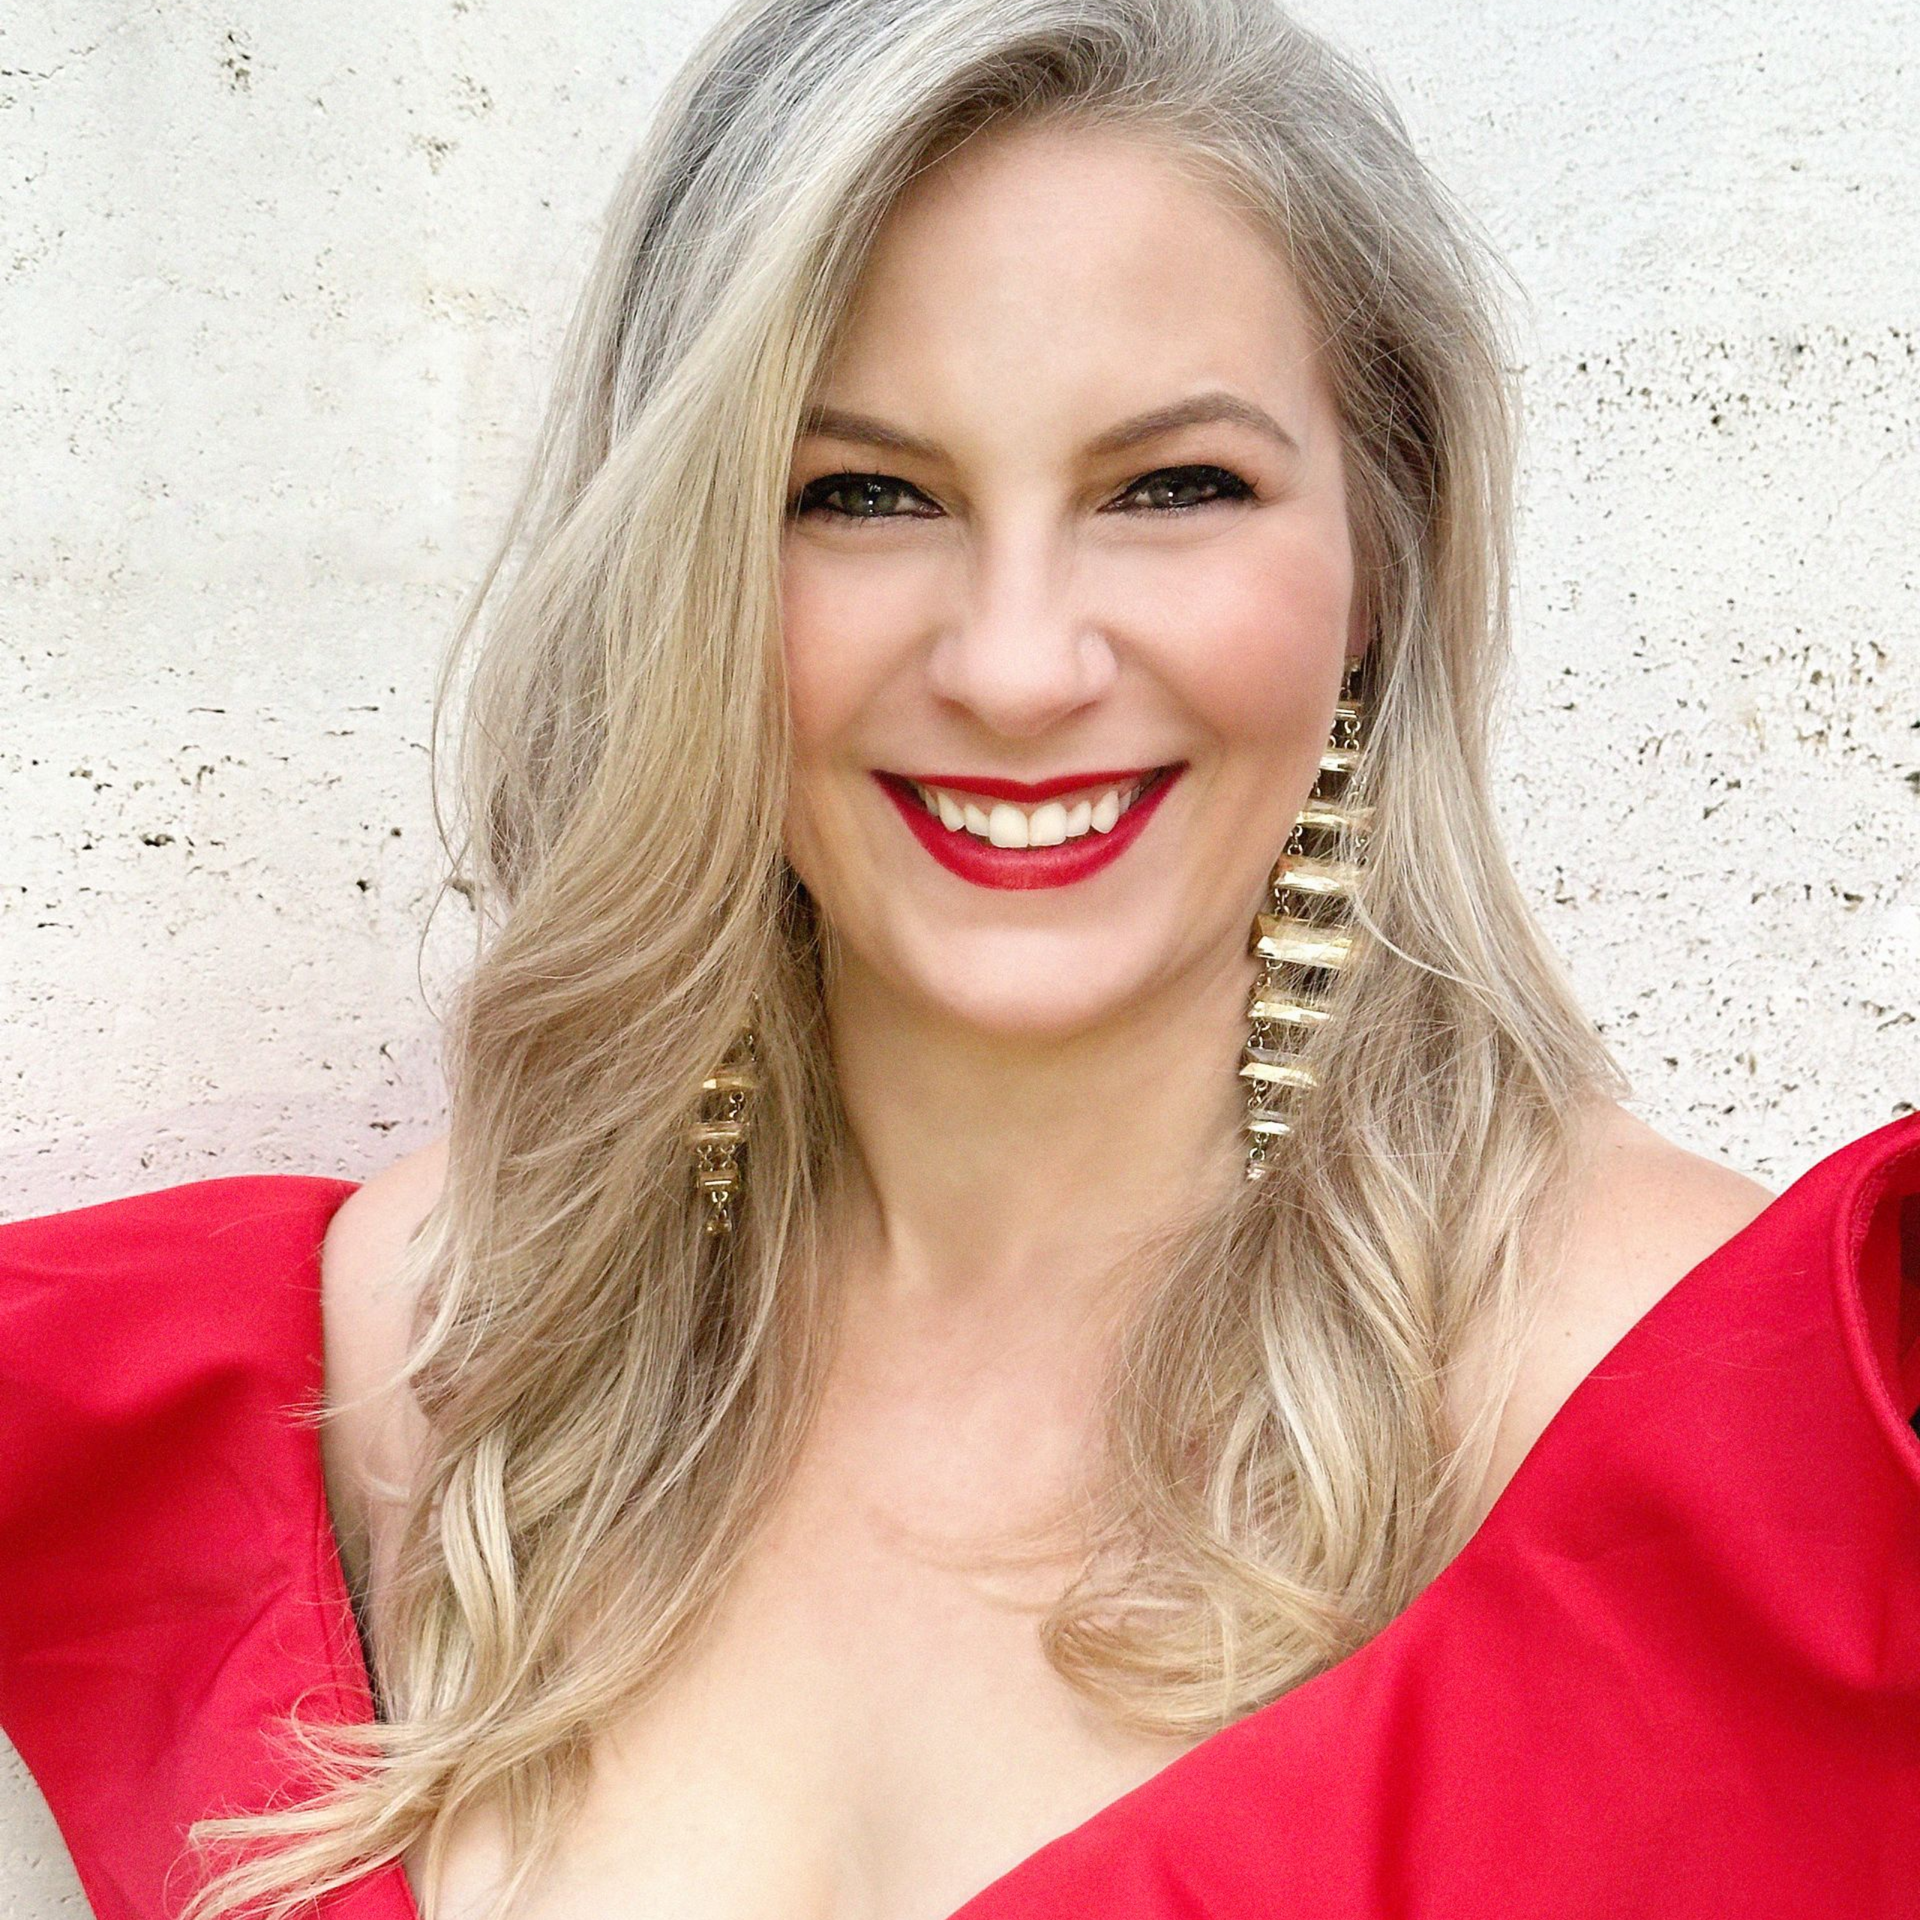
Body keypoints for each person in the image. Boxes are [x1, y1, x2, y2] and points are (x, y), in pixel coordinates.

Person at [3, 0, 1918, 1915]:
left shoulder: (1699, 1423)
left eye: (1173, 489)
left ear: (1383, 558)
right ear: (687, 568)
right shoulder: (401, 1347)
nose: (1016, 665)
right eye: (860, 496)